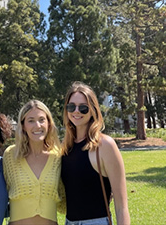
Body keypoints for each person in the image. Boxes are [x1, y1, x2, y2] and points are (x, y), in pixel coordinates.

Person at [61, 82, 130, 225]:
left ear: (93, 110)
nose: (76, 111)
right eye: (71, 106)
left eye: (83, 107)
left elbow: (121, 205)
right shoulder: (66, 148)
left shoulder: (105, 145)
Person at [3, 100, 63, 225]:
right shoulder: (10, 155)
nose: (37, 125)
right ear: (23, 125)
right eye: (31, 120)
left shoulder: (58, 157)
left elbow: (66, 197)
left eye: (42, 120)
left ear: (49, 123)